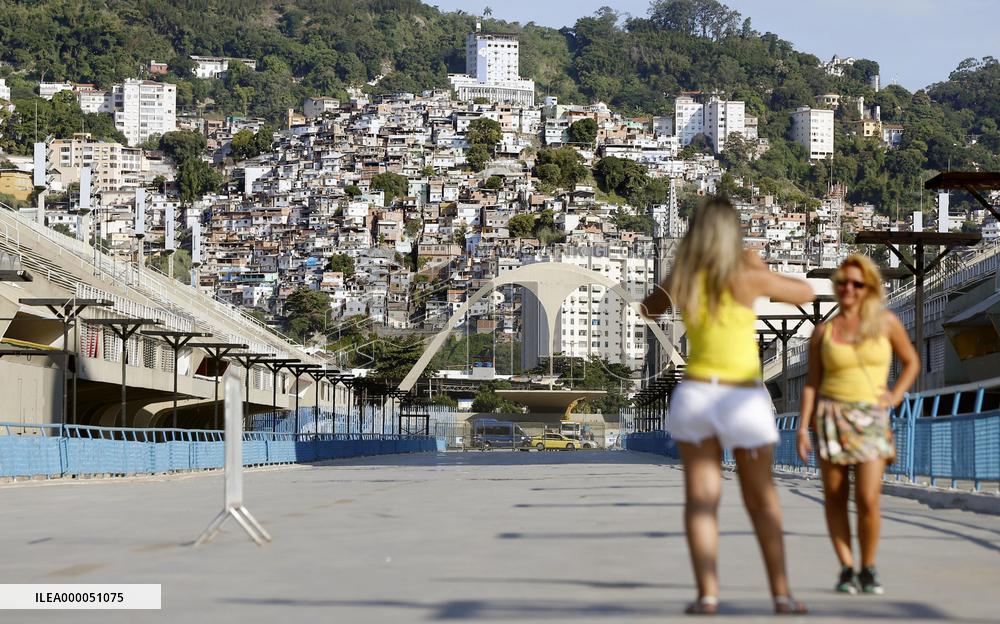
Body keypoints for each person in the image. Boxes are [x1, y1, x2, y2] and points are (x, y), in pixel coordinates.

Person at [642, 197, 814, 615]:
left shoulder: (684, 276)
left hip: (697, 395)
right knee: (762, 499)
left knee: (701, 500)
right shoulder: (746, 274)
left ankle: (708, 595)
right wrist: (761, 270)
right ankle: (781, 595)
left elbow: (648, 309)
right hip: (742, 395)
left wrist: (672, 285)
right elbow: (806, 293)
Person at [797, 254, 919, 595]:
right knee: (835, 498)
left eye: (857, 284)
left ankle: (868, 566)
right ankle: (846, 567)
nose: (848, 289)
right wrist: (802, 427)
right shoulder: (823, 332)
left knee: (867, 498)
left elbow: (911, 361)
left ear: (869, 288)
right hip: (831, 418)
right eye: (842, 283)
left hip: (871, 419)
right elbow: (811, 384)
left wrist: (893, 397)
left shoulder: (886, 323)